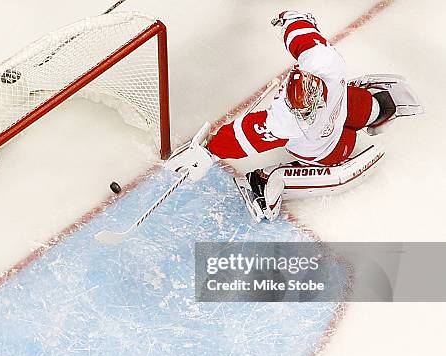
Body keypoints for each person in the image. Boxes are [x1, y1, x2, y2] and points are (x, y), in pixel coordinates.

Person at [166, 11, 423, 222]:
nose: (303, 114)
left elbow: (242, 137)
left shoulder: (313, 81)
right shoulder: (310, 84)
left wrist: (292, 20)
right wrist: (294, 20)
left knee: (361, 111)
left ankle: (374, 112)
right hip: (329, 133)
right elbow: (241, 137)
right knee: (353, 126)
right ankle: (266, 176)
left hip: (332, 126)